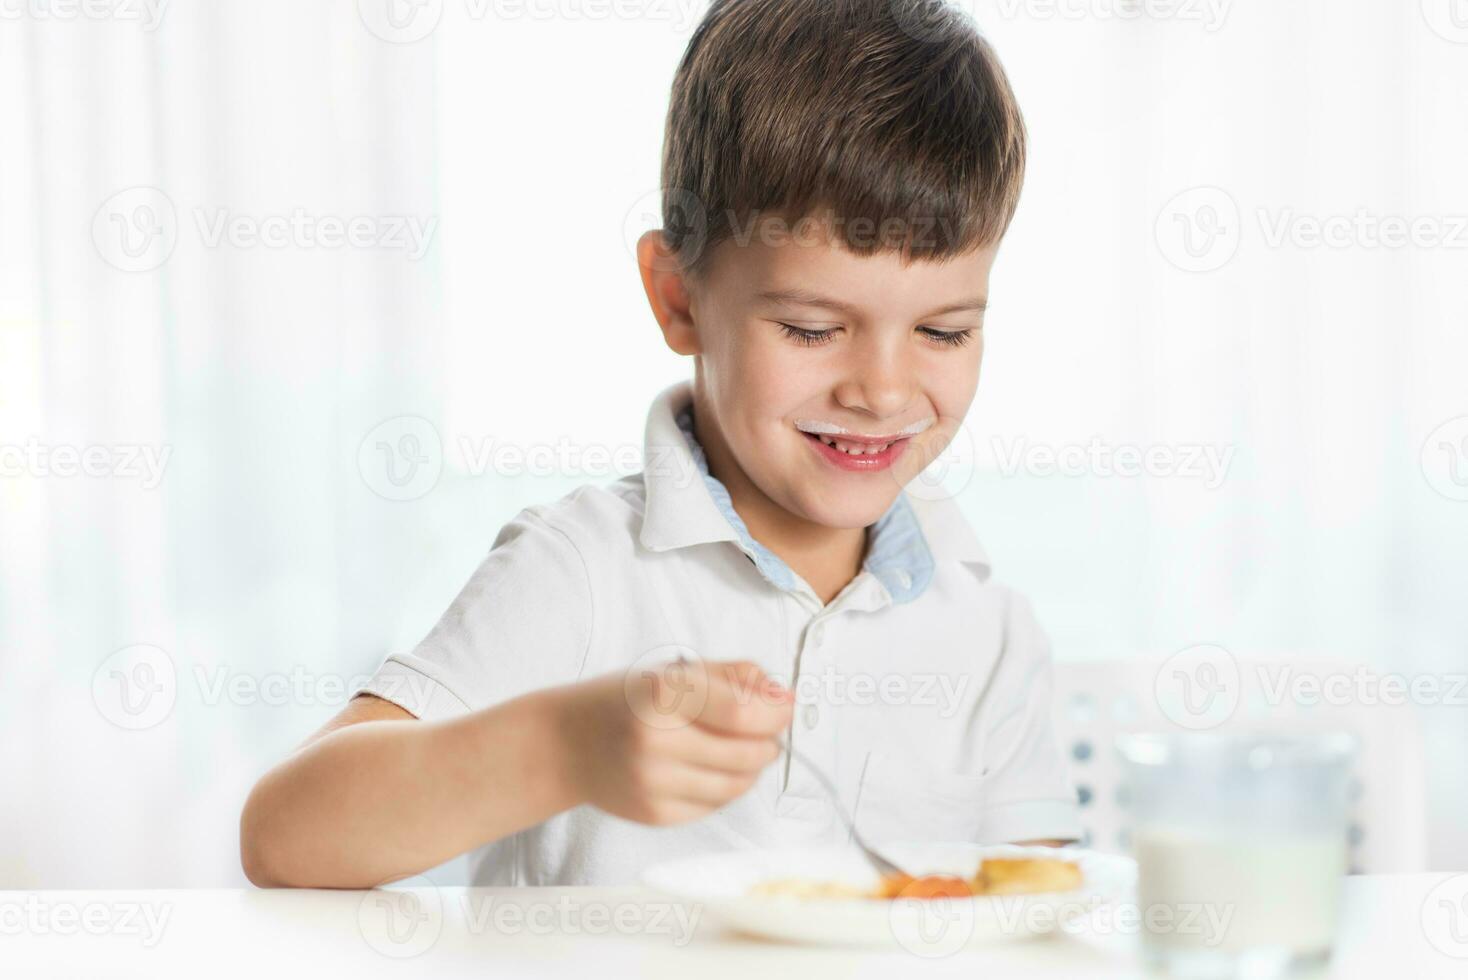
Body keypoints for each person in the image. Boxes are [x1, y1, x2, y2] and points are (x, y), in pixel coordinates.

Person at [240, 0, 1081, 889]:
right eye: (808, 328)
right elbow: (285, 839)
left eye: (944, 333)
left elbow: (1031, 916)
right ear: (678, 298)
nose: (882, 390)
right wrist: (562, 749)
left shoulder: (987, 629)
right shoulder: (583, 571)